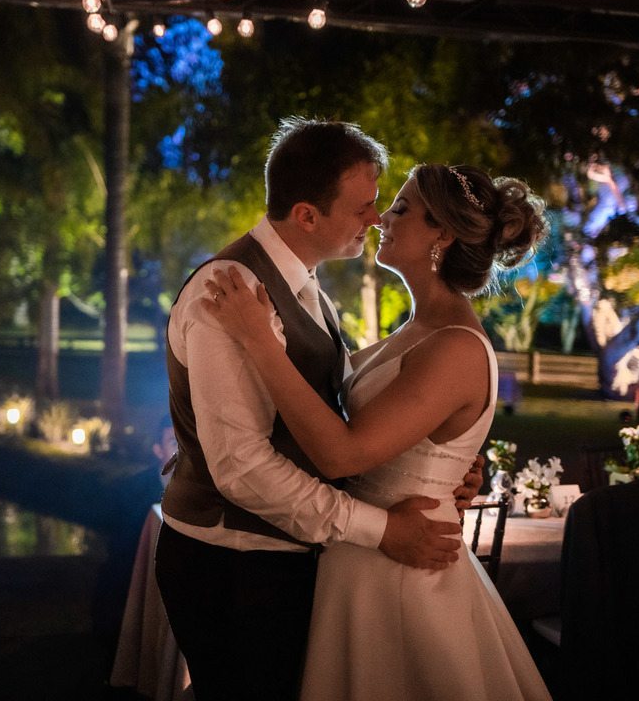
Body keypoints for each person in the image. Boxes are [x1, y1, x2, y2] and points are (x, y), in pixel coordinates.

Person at [155, 119, 484, 701]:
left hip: (297, 559)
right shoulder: (229, 294)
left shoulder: (310, 292)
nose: (376, 218)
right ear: (307, 215)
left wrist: (437, 468)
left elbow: (349, 413)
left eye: (386, 204)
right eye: (365, 206)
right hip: (236, 565)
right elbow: (242, 468)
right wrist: (382, 529)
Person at [205, 162, 552, 700]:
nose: (381, 218)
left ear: (442, 234)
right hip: (364, 556)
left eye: (401, 208)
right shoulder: (419, 328)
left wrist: (259, 342)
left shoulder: (456, 346)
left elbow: (342, 455)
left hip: (404, 571)